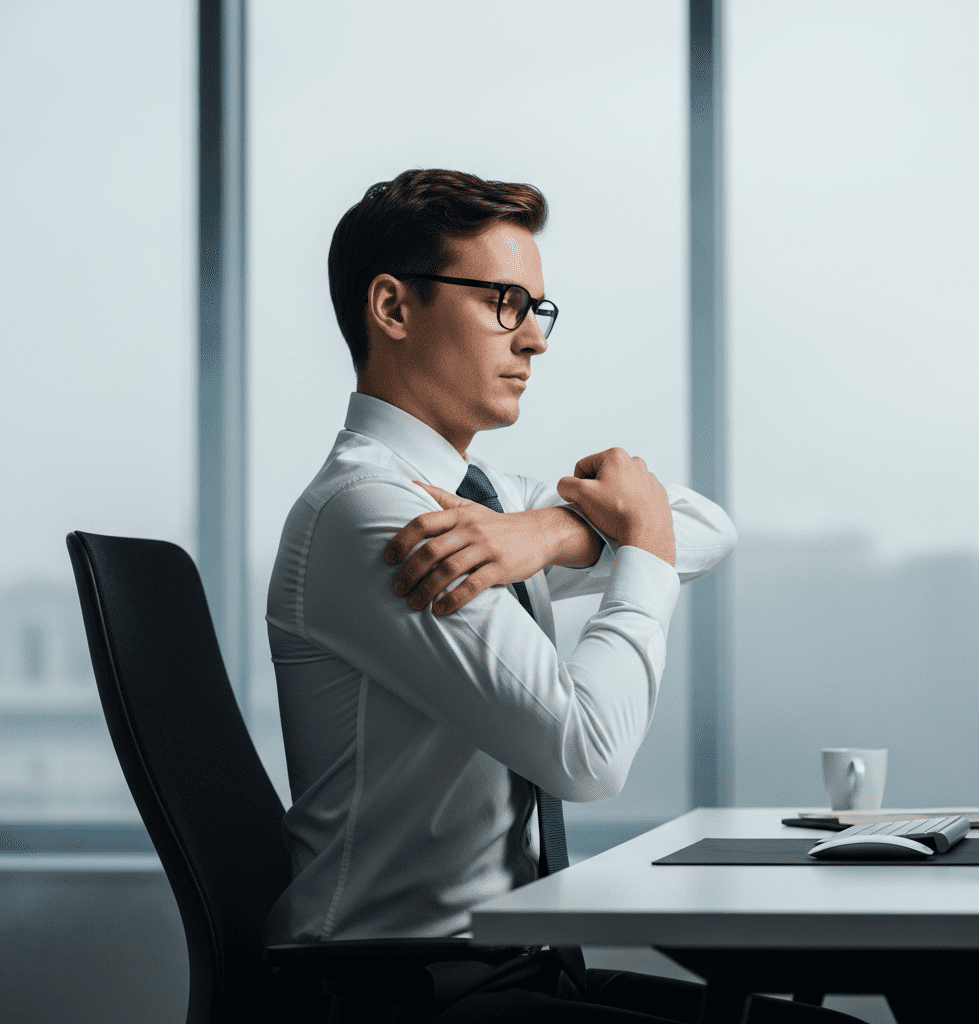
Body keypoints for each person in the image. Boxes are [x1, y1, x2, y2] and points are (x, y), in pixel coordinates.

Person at [263, 169, 867, 1023]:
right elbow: (586, 755)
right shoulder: (374, 515)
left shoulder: (486, 500)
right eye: (503, 302)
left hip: (514, 968)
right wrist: (633, 542)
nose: (534, 341)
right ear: (393, 308)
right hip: (399, 990)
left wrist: (548, 535)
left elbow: (709, 526)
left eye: (536, 309)